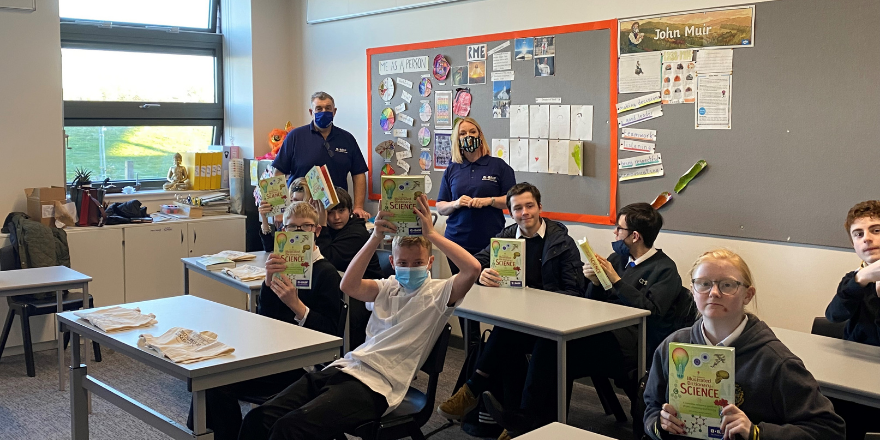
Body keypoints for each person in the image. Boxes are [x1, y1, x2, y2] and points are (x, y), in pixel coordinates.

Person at [238, 194, 482, 440]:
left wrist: (430, 234)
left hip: (378, 385)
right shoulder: (388, 286)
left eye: (418, 262)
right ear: (393, 263)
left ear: (429, 262)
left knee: (290, 427)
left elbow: (472, 268)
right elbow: (349, 285)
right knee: (259, 418)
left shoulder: (438, 294)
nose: (410, 267)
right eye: (403, 262)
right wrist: (375, 236)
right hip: (347, 366)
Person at [480, 203, 684, 438]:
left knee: (553, 348)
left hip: (630, 346)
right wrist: (595, 284)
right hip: (599, 333)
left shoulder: (664, 270)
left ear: (635, 236)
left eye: (619, 229)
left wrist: (616, 281)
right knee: (544, 342)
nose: (615, 234)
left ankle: (528, 419)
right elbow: (590, 303)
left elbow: (652, 312)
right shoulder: (617, 258)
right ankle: (533, 420)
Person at [644, 249, 845, 440]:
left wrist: (756, 432)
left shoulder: (775, 361)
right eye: (704, 283)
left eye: (727, 285)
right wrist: (659, 423)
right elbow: (651, 406)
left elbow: (829, 429)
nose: (714, 292)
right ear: (693, 291)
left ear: (747, 295)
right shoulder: (673, 346)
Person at [437, 182, 584, 439]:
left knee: (514, 338)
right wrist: (482, 273)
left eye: (529, 206)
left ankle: (482, 396)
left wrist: (539, 301)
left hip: (554, 325)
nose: (524, 212)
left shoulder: (562, 242)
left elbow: (574, 292)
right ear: (510, 212)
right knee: (506, 331)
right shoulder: (505, 237)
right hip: (520, 320)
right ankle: (505, 414)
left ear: (540, 207)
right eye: (517, 208)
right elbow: (477, 262)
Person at [186, 202, 342, 440]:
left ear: (317, 231)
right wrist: (268, 284)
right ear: (283, 231)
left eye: (306, 227)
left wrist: (297, 306)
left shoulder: (326, 273)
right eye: (292, 228)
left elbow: (331, 334)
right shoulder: (279, 266)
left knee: (249, 413)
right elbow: (265, 319)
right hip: (270, 352)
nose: (298, 233)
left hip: (301, 363)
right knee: (212, 383)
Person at [436, 117, 515, 347]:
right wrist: (456, 204)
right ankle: (471, 350)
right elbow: (441, 206)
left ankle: (497, 350)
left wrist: (489, 200)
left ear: (480, 135)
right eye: (462, 134)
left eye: (472, 132)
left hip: (491, 244)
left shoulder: (498, 166)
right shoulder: (452, 168)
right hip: (457, 244)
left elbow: (512, 201)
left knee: (495, 297)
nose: (468, 137)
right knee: (463, 301)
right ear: (456, 139)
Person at [825, 200, 880, 439]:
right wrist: (861, 279)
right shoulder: (854, 279)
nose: (866, 238)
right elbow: (834, 315)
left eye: (876, 230)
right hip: (854, 377)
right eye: (858, 234)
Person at [272, 91, 371, 219]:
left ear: (334, 112)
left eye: (328, 108)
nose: (323, 112)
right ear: (311, 112)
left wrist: (358, 207)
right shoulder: (295, 137)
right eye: (319, 109)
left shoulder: (347, 138)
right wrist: (278, 209)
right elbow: (278, 173)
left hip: (335, 214)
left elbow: (359, 173)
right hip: (300, 213)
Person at [314, 186, 384, 349]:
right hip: (343, 289)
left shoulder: (357, 233)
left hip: (366, 297)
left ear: (350, 210)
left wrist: (322, 225)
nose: (336, 217)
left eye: (341, 210)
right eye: (330, 212)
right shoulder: (331, 230)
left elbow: (325, 259)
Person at [258, 177, 310, 252]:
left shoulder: (313, 224)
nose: (298, 207)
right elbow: (270, 247)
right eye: (294, 202)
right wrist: (264, 218)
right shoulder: (289, 221)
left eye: (302, 202)